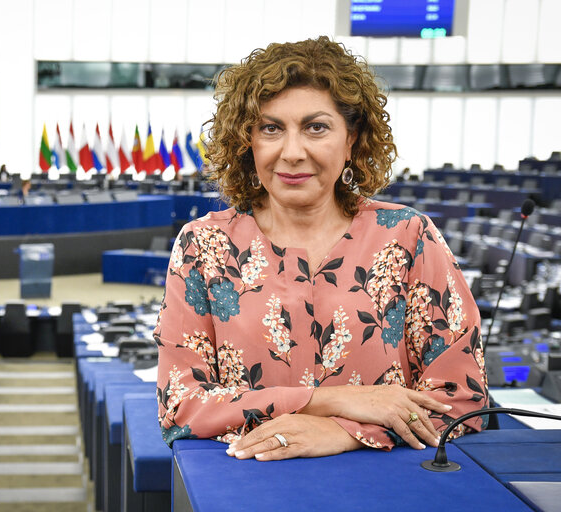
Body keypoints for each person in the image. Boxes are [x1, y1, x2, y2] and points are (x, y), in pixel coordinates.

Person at [155, 37, 487, 461]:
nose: (292, 153)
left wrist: (347, 434)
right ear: (247, 142)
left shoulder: (408, 236)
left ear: (352, 140)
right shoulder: (203, 245)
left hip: (391, 489)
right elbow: (180, 405)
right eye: (271, 128)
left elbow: (460, 397)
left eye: (316, 127)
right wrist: (326, 402)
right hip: (243, 487)